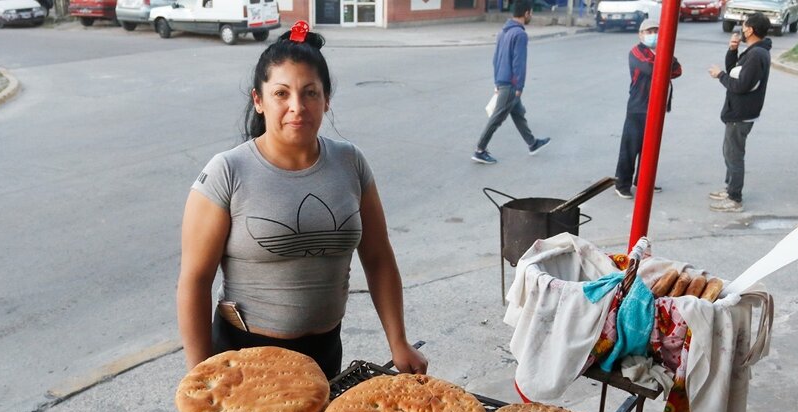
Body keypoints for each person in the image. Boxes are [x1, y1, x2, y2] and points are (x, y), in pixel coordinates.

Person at [176, 21, 428, 379]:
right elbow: (195, 280)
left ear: (326, 100)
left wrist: (398, 341)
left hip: (324, 355)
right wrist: (199, 376)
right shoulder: (227, 172)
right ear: (259, 100)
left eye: (310, 93)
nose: (297, 106)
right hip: (243, 360)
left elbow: (378, 256)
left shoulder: (350, 162)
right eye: (282, 94)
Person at [471, 0, 550, 165]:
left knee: (518, 113)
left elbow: (495, 59)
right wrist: (519, 86)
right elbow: (518, 63)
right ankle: (480, 150)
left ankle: (532, 143)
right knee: (497, 117)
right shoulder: (520, 34)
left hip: (502, 80)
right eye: (531, 13)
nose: (531, 16)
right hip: (510, 83)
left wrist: (496, 82)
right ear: (527, 13)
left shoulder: (503, 32)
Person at [707, 13, 772, 213]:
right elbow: (735, 71)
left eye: (744, 26)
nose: (741, 30)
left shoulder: (756, 55)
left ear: (751, 30)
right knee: (729, 152)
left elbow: (741, 85)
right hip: (738, 112)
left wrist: (720, 76)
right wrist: (732, 50)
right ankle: (730, 189)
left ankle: (735, 198)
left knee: (734, 155)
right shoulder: (753, 51)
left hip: (741, 113)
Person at [613, 19, 682, 199]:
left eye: (655, 31)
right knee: (630, 147)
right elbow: (652, 68)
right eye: (649, 31)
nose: (653, 34)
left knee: (649, 148)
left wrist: (664, 58)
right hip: (639, 108)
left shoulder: (662, 51)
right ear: (641, 34)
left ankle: (643, 181)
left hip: (657, 108)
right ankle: (622, 183)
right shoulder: (636, 52)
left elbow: (677, 70)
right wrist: (665, 59)